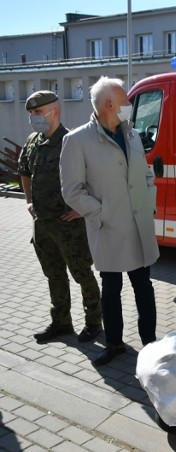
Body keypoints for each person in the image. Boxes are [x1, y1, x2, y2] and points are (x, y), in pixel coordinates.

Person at [60, 76, 160, 366]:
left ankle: (150, 343)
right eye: (125, 100)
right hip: (109, 229)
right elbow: (72, 191)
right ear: (109, 104)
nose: (129, 105)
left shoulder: (132, 134)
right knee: (111, 287)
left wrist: (147, 203)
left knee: (144, 286)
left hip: (139, 225)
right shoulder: (77, 141)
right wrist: (101, 213)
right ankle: (114, 343)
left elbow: (147, 175)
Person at [17, 91, 103, 344]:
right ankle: (61, 322)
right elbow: (24, 171)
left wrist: (83, 208)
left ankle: (93, 322)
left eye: (37, 113)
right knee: (54, 274)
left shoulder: (72, 140)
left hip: (69, 226)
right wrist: (29, 200)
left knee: (81, 274)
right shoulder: (33, 140)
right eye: (31, 114)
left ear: (53, 112)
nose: (33, 118)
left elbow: (94, 178)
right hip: (42, 225)